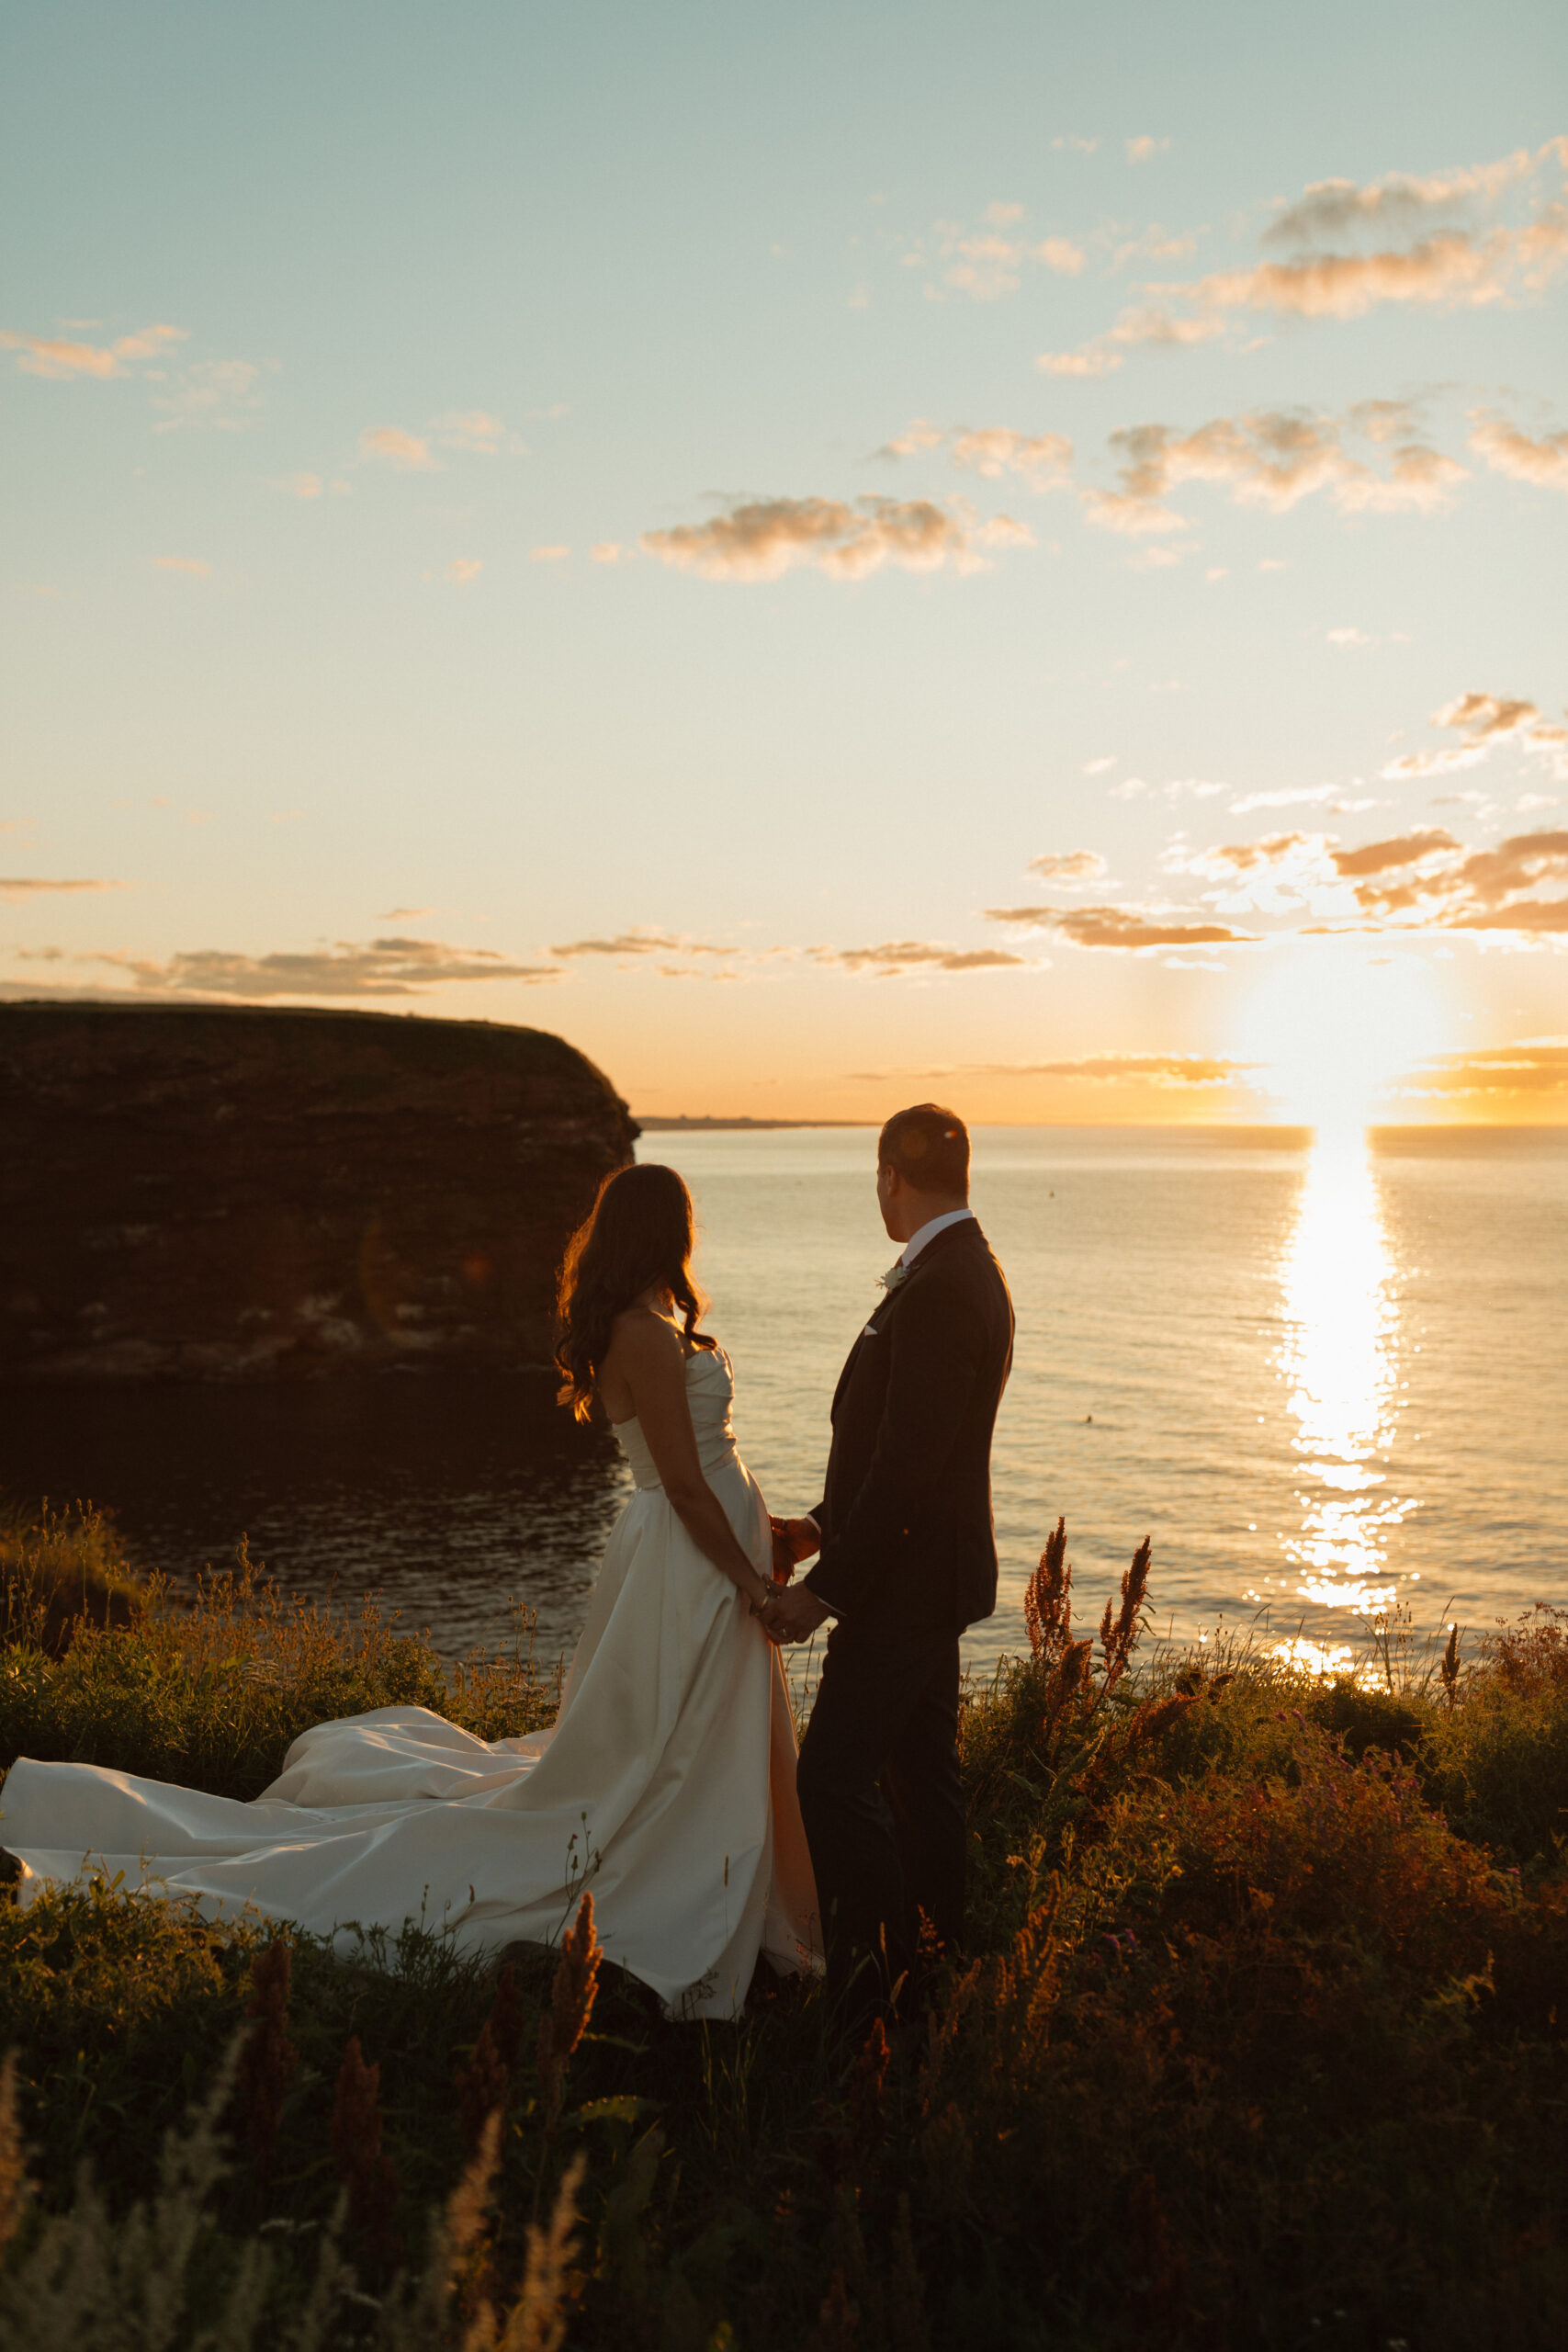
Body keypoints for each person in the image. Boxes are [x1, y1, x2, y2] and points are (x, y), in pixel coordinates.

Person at [0, 1164, 820, 2020]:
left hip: (697, 1554)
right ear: (670, 1230)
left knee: (690, 1734)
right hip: (690, 1565)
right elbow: (687, 1486)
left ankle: (740, 1883)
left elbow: (703, 1475)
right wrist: (749, 1584)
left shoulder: (647, 1322)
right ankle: (705, 1888)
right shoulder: (645, 1335)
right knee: (675, 1742)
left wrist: (771, 1535)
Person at [761, 1105, 1014, 2021]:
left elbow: (909, 1468)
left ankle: (877, 1990)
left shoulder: (946, 1284)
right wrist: (820, 1527)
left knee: (830, 1782)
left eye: (879, 1179)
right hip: (917, 1575)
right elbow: (906, 1453)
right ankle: (936, 1973)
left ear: (890, 1177)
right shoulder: (954, 1269)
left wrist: (822, 1595)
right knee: (921, 1780)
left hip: (904, 1590)